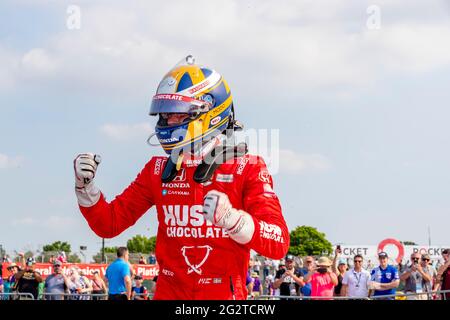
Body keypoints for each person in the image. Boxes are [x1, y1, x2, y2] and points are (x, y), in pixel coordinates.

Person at [73, 56, 289, 300]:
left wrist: (233, 220)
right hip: (169, 293)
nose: (169, 121)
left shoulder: (246, 168)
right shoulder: (156, 170)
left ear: (210, 111)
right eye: (165, 115)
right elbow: (109, 224)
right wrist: (85, 187)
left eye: (178, 114)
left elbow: (279, 242)